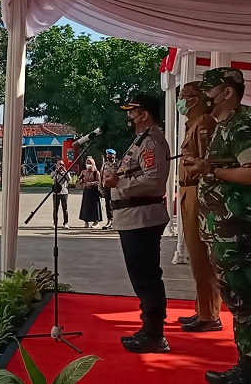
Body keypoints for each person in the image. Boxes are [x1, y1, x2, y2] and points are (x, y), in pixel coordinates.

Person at [184, 67, 251, 383]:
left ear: (227, 93)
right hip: (223, 228)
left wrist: (214, 171)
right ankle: (246, 368)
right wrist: (207, 169)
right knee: (237, 299)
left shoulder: (240, 127)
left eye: (207, 91)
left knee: (246, 301)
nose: (201, 99)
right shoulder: (224, 128)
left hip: (234, 228)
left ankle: (250, 374)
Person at [103, 93, 171, 354]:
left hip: (142, 217)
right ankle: (150, 330)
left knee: (146, 277)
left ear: (145, 114)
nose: (129, 116)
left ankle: (155, 334)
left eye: (133, 111)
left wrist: (118, 183)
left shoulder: (151, 141)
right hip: (132, 217)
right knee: (142, 276)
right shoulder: (142, 140)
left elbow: (154, 181)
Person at [175, 81, 223, 334]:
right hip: (187, 191)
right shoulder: (192, 124)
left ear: (196, 100)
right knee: (195, 255)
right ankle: (203, 309)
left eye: (184, 97)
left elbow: (206, 164)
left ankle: (210, 315)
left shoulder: (204, 123)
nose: (180, 101)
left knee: (202, 256)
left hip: (198, 192)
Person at [78, 157, 102, 228]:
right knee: (86, 206)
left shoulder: (96, 172)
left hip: (93, 192)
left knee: (94, 207)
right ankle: (86, 221)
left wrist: (91, 183)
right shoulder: (83, 172)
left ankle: (96, 222)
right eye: (87, 163)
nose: (88, 165)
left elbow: (99, 182)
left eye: (90, 163)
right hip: (86, 191)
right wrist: (82, 182)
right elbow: (80, 179)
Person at [50, 159, 72, 229]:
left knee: (65, 209)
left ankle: (65, 223)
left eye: (62, 165)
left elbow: (69, 179)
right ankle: (55, 223)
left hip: (64, 193)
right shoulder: (54, 172)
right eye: (59, 164)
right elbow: (51, 177)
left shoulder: (66, 172)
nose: (61, 166)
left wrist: (65, 171)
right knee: (55, 209)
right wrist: (57, 171)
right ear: (57, 165)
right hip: (56, 193)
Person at [100, 149, 118, 229]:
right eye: (107, 155)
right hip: (107, 186)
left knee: (116, 204)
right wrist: (100, 187)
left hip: (115, 187)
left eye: (110, 155)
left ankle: (116, 221)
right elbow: (101, 176)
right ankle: (109, 220)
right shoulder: (105, 165)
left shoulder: (118, 165)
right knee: (108, 204)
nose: (108, 157)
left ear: (114, 156)